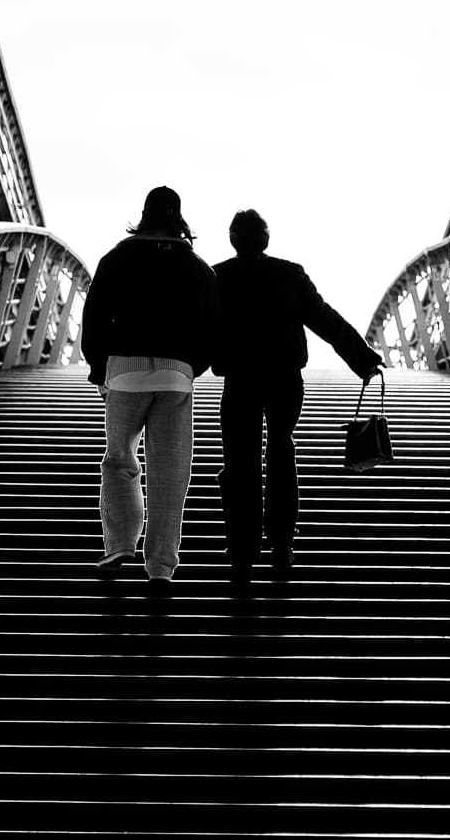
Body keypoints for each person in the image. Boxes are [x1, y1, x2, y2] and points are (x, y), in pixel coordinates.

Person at [211, 209, 384, 579]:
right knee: (280, 449)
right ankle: (282, 542)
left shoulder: (218, 276)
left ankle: (242, 551)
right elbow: (325, 319)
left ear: (233, 239)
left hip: (239, 380)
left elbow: (201, 328)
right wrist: (362, 359)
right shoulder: (290, 274)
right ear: (266, 237)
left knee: (240, 461)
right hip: (284, 378)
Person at [82, 185, 220, 594]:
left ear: (143, 216)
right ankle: (160, 567)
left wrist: (99, 368)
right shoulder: (198, 268)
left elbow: (95, 319)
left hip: (124, 371)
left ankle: (120, 544)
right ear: (178, 219)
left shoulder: (116, 259)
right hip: (176, 375)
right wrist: (191, 366)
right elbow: (212, 329)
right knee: (170, 472)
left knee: (119, 459)